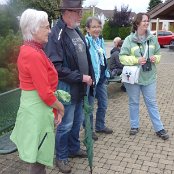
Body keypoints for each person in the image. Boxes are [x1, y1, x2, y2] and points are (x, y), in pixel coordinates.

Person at [10, 9, 64, 174]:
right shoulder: (33, 54)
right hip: (37, 111)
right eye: (46, 27)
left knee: (37, 155)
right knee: (38, 158)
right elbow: (45, 93)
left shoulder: (31, 49)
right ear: (33, 29)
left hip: (35, 109)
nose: (49, 30)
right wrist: (60, 107)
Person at [44, 0, 95, 173]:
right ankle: (62, 156)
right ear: (67, 12)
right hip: (66, 90)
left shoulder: (76, 31)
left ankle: (73, 148)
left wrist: (91, 77)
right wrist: (81, 77)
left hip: (81, 88)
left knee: (77, 122)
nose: (81, 15)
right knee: (65, 125)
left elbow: (85, 57)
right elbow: (56, 67)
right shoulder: (56, 33)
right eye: (78, 11)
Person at [119, 12, 169, 140]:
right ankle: (134, 126)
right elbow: (122, 58)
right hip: (134, 78)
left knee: (152, 103)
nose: (146, 23)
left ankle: (159, 128)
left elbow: (159, 55)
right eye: (144, 21)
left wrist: (155, 58)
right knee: (134, 102)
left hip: (149, 76)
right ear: (137, 23)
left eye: (148, 20)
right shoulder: (129, 40)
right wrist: (136, 60)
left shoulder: (152, 38)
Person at [85, 16, 113, 141]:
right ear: (87, 29)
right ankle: (89, 130)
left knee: (103, 104)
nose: (97, 29)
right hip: (91, 80)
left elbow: (102, 60)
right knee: (89, 107)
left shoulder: (100, 40)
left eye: (98, 26)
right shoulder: (86, 42)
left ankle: (100, 126)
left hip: (101, 79)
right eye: (94, 27)